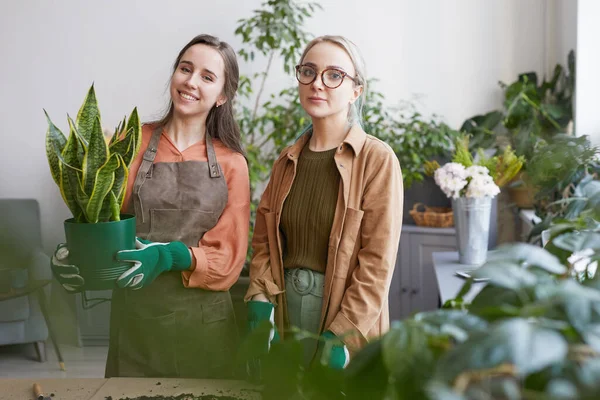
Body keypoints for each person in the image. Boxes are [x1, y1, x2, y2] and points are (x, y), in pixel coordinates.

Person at [51, 34, 250, 379]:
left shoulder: (232, 164)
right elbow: (100, 223)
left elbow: (230, 260)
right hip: (136, 328)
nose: (190, 81)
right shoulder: (129, 144)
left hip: (206, 333)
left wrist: (170, 256)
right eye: (185, 69)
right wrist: (76, 259)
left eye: (207, 76)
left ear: (222, 96)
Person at [244, 35, 403, 369]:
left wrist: (340, 335)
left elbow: (376, 265)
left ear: (355, 90)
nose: (317, 83)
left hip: (344, 321)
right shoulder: (286, 160)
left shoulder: (376, 159)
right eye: (309, 72)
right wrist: (259, 296)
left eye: (334, 75)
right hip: (286, 315)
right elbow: (264, 243)